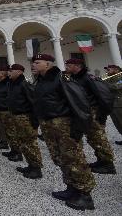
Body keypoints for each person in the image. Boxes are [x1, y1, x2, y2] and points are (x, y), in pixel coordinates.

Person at [32, 54, 95, 211]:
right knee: (60, 158)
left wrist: (78, 129)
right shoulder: (40, 80)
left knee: (74, 158)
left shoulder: (61, 78)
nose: (33, 65)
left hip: (63, 125)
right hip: (49, 125)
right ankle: (71, 188)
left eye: (37, 62)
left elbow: (79, 102)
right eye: (33, 62)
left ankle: (85, 195)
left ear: (47, 64)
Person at [65, 58, 116, 174]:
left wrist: (102, 115)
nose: (66, 66)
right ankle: (101, 160)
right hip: (84, 112)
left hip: (93, 112)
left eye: (69, 64)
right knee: (92, 138)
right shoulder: (74, 78)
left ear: (78, 66)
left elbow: (105, 96)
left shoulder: (89, 78)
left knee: (98, 138)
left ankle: (108, 164)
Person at [7, 64, 43, 179]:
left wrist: (35, 122)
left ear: (19, 72)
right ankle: (30, 165)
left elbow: (34, 103)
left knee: (30, 143)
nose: (9, 73)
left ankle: (36, 169)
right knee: (23, 143)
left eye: (11, 71)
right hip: (17, 117)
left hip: (25, 118)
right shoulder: (13, 84)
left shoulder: (24, 85)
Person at [104, 64, 122, 145]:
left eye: (109, 69)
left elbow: (116, 87)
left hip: (120, 104)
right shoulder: (108, 78)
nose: (107, 71)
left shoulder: (120, 77)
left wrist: (103, 83)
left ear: (116, 70)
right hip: (112, 104)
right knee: (117, 123)